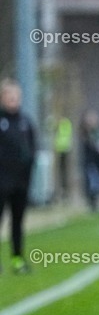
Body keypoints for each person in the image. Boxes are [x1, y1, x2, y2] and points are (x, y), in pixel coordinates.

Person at [0, 79, 36, 275]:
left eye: (16, 96)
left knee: (17, 222)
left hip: (20, 184)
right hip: (1, 183)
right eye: (9, 96)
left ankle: (17, 259)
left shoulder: (25, 122)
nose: (13, 99)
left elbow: (32, 150)